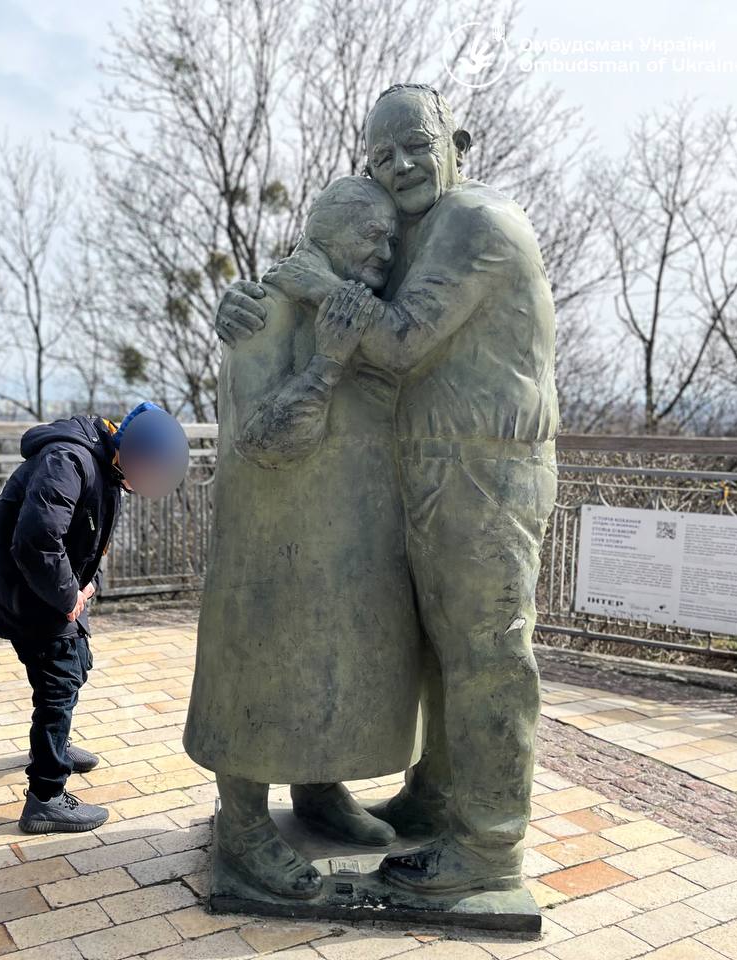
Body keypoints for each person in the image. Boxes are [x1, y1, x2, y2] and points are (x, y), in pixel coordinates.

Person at [214, 83, 559, 896]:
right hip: (429, 473)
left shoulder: (476, 222)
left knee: (487, 655)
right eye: (380, 156)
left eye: (415, 145)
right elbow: (337, 264)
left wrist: (302, 283)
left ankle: (489, 844)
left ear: (457, 143)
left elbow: (394, 338)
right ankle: (438, 800)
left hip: (485, 467)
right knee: (444, 650)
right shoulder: (417, 228)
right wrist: (255, 298)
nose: (399, 167)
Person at [184, 176, 423, 901]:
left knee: (333, 660)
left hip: (345, 529)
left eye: (391, 237)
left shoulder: (360, 306)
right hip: (273, 536)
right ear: (326, 236)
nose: (386, 249)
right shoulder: (265, 313)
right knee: (263, 664)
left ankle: (320, 787)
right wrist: (327, 360)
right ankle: (245, 822)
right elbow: (263, 439)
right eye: (370, 236)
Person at [0, 403, 190, 834]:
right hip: (28, 591)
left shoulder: (108, 465)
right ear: (134, 450)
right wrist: (69, 593)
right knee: (60, 678)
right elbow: (37, 538)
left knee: (68, 668)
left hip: (43, 589)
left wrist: (87, 585)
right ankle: (46, 797)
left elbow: (93, 537)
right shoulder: (69, 460)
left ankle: (56, 746)